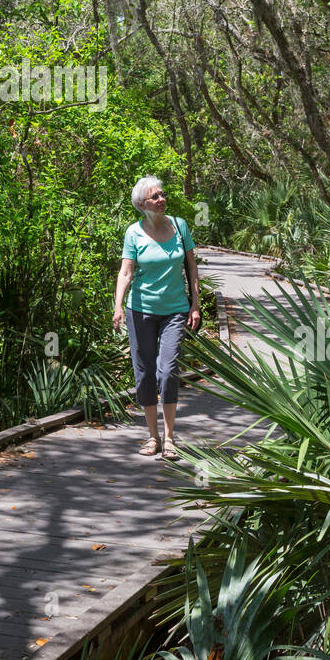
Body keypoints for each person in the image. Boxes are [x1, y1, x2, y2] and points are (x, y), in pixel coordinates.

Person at [112, 176, 201, 458]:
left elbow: (191, 267)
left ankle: (170, 438)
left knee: (168, 371)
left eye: (162, 194)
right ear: (142, 204)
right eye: (155, 197)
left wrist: (195, 304)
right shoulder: (133, 233)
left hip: (175, 310)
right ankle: (152, 437)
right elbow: (126, 272)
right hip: (140, 311)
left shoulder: (180, 225)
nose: (162, 199)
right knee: (145, 374)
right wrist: (117, 306)